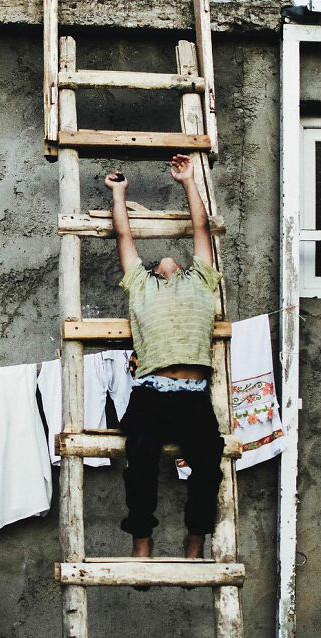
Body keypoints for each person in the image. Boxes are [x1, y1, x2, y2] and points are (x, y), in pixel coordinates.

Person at [104, 154, 224, 561]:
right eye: (157, 260)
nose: (165, 257)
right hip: (151, 393)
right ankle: (142, 539)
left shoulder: (203, 281)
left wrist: (189, 180)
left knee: (208, 465)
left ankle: (196, 538)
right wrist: (119, 194)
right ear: (155, 270)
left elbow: (201, 227)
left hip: (193, 394)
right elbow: (124, 238)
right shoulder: (141, 285)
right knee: (140, 465)